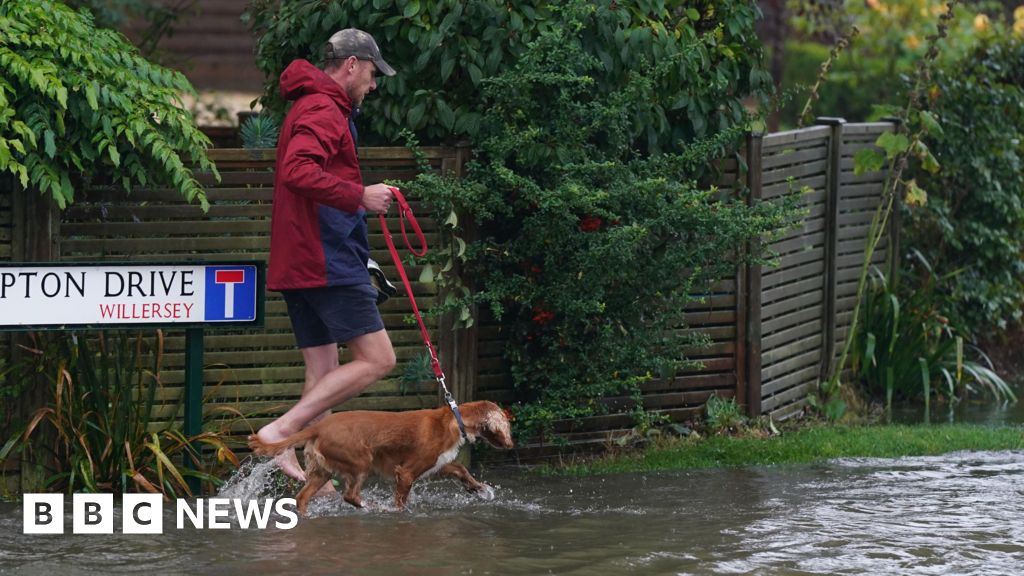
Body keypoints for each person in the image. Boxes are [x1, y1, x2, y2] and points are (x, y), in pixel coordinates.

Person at [258, 29, 398, 481]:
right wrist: (359, 196)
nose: (373, 86)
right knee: (378, 360)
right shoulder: (323, 107)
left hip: (303, 259)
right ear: (352, 65)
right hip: (325, 258)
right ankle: (282, 431)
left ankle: (308, 471)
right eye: (372, 74)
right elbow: (298, 170)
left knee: (324, 372)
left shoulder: (310, 103)